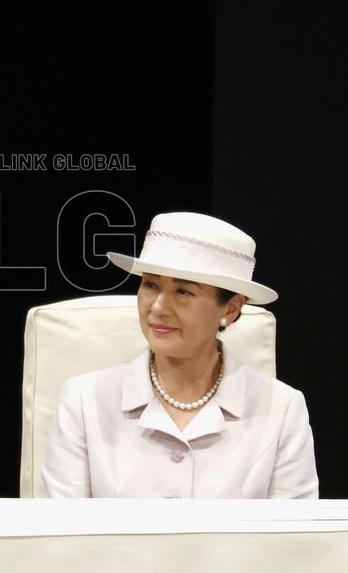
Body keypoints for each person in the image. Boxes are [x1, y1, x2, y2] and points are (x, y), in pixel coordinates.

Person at [41, 212, 318, 498]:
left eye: (184, 292)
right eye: (150, 285)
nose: (159, 307)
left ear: (231, 308)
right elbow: (58, 534)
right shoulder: (85, 400)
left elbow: (294, 537)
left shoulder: (282, 409)